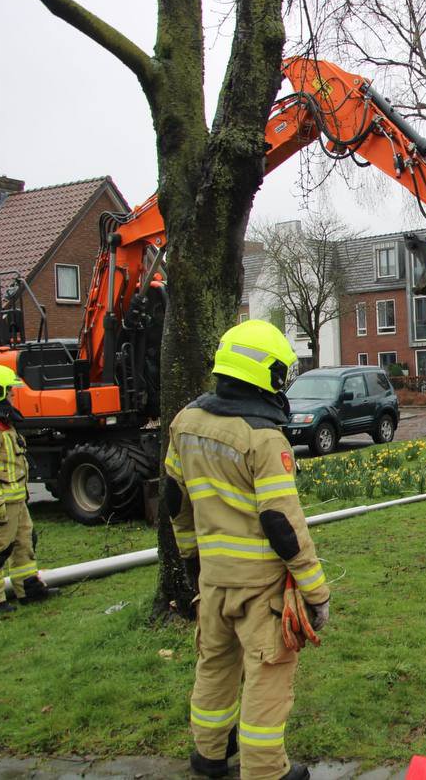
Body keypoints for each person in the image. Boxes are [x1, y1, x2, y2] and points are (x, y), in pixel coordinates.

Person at [166, 320, 328, 780]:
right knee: (268, 675)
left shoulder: (186, 423)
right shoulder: (264, 437)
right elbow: (283, 524)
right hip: (260, 591)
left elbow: (175, 502)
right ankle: (265, 771)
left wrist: (193, 558)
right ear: (269, 375)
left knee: (214, 665)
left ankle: (209, 755)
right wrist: (316, 593)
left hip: (213, 580)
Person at [0, 364, 59, 614]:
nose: (12, 396)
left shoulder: (2, 423)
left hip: (15, 501)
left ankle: (28, 589)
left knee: (24, 544)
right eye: (9, 391)